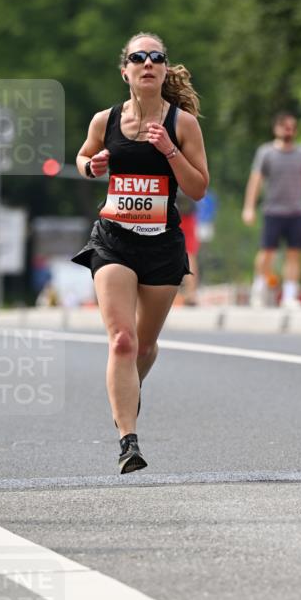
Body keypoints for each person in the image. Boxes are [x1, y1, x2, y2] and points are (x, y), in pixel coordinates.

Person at [71, 32, 209, 473]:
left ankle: (127, 391)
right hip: (113, 239)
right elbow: (83, 156)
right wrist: (90, 166)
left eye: (156, 57)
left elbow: (199, 188)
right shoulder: (104, 120)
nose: (148, 63)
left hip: (162, 244)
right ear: (125, 69)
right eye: (138, 57)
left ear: (165, 69)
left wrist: (169, 151)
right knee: (122, 339)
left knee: (145, 345)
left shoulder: (182, 124)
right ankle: (128, 440)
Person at [241, 112, 301, 308]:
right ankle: (259, 289)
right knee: (267, 252)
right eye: (285, 126)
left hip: (297, 211)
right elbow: (256, 180)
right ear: (276, 128)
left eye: (292, 127)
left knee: (294, 254)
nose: (289, 130)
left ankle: (289, 295)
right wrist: (249, 207)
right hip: (273, 210)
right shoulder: (266, 152)